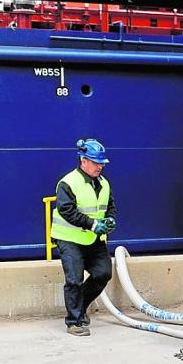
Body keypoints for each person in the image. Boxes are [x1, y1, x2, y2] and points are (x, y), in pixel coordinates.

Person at [51, 139, 117, 337]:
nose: (100, 166)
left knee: (103, 274)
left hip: (94, 239)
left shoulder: (104, 184)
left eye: (102, 163)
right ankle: (73, 321)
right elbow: (66, 210)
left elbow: (110, 205)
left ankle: (81, 307)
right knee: (74, 279)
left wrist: (110, 220)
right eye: (96, 162)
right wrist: (93, 224)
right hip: (69, 239)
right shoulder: (68, 183)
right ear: (83, 161)